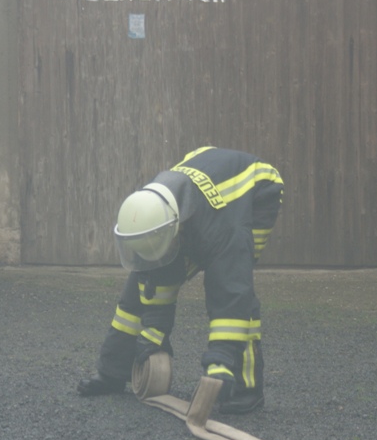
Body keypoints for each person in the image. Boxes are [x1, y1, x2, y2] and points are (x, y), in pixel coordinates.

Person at [77, 146, 283, 414]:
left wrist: (220, 361)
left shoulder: (224, 231)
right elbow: (155, 279)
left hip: (257, 193)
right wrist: (154, 334)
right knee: (138, 288)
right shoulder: (151, 206)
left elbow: (231, 293)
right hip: (195, 202)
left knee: (235, 289)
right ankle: (113, 372)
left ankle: (246, 389)